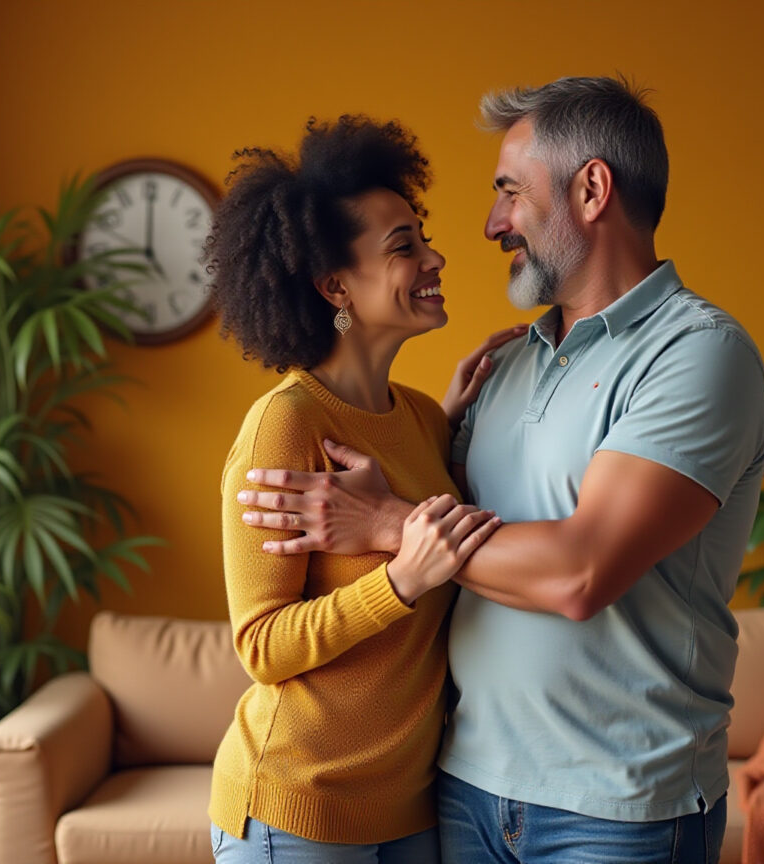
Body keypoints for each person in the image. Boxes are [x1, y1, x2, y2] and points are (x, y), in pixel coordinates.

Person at [234, 76, 764, 864]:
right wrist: (440, 431)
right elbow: (272, 631)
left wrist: (388, 522)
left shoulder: (697, 355)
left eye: (510, 192)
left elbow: (580, 574)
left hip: (615, 806)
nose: (489, 224)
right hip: (464, 789)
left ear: (592, 189)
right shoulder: (505, 367)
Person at [205, 114, 521, 864]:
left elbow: (426, 515)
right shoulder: (287, 424)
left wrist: (450, 423)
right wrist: (400, 581)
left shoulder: (421, 417)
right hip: (296, 808)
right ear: (335, 285)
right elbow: (262, 646)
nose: (435, 256)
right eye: (404, 247)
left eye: (423, 237)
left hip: (411, 807)